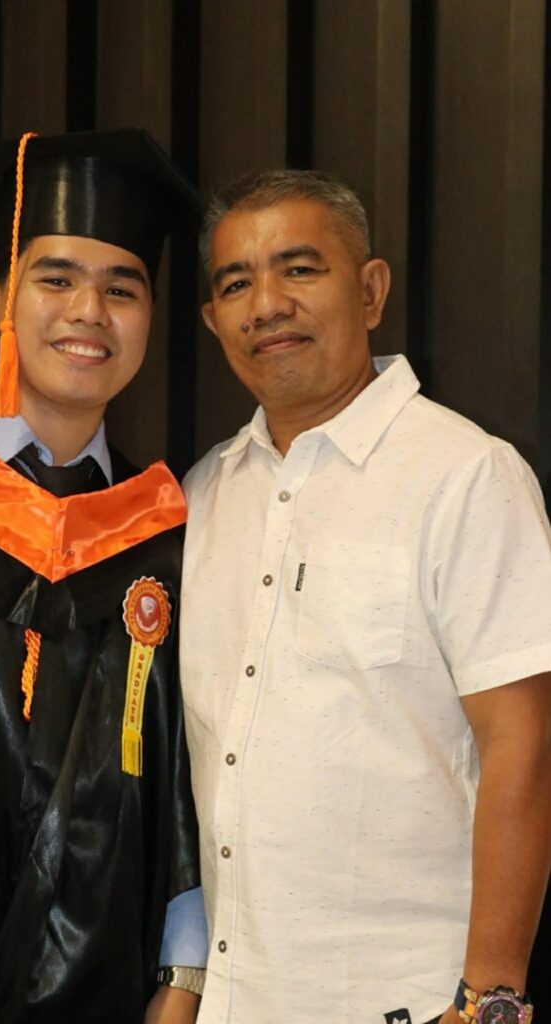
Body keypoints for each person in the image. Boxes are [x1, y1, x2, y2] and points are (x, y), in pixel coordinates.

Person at [179, 170, 551, 1024]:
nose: (266, 303)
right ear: (212, 322)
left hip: (409, 1001)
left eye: (299, 270)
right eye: (236, 283)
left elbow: (519, 743)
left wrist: (491, 997)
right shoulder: (201, 496)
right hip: (239, 1000)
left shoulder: (463, 475)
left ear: (371, 290)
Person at [0, 129, 207, 1024]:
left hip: (114, 991)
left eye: (122, 287)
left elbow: (189, 769)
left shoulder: (160, 531)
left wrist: (183, 973)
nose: (89, 311)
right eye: (55, 278)